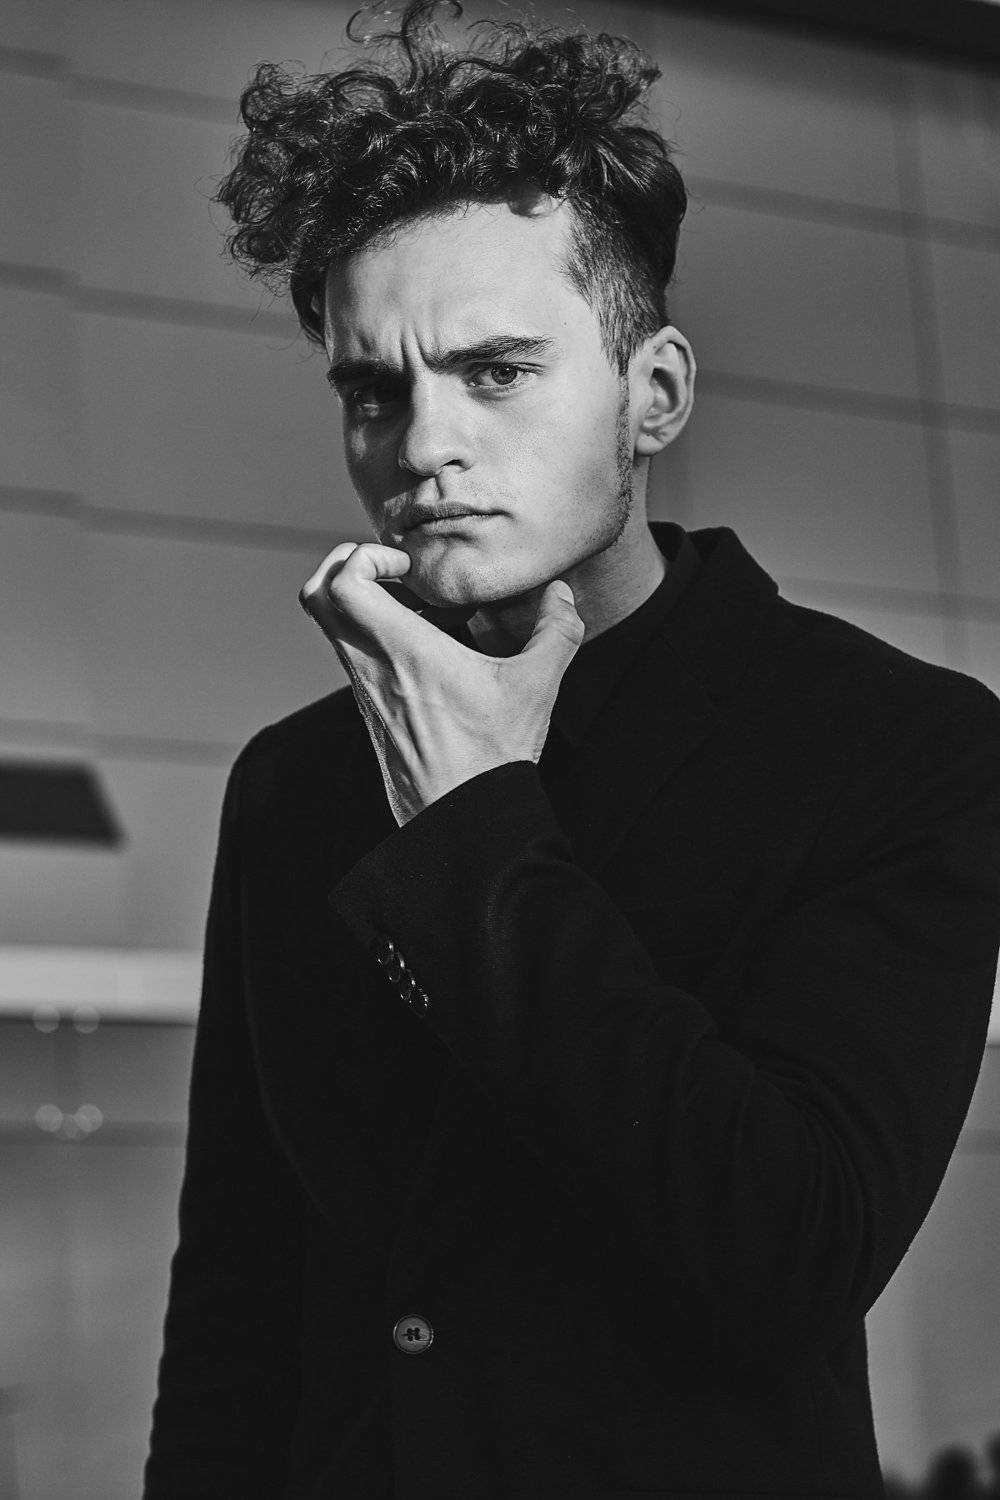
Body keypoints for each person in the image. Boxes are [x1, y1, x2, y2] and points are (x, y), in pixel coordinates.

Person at [142, 2, 1000, 1496]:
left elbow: (790, 1254)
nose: (423, 446)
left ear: (652, 394)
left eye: (495, 370)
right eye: (374, 389)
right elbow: (238, 1305)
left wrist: (476, 819)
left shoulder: (896, 744)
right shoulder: (292, 782)